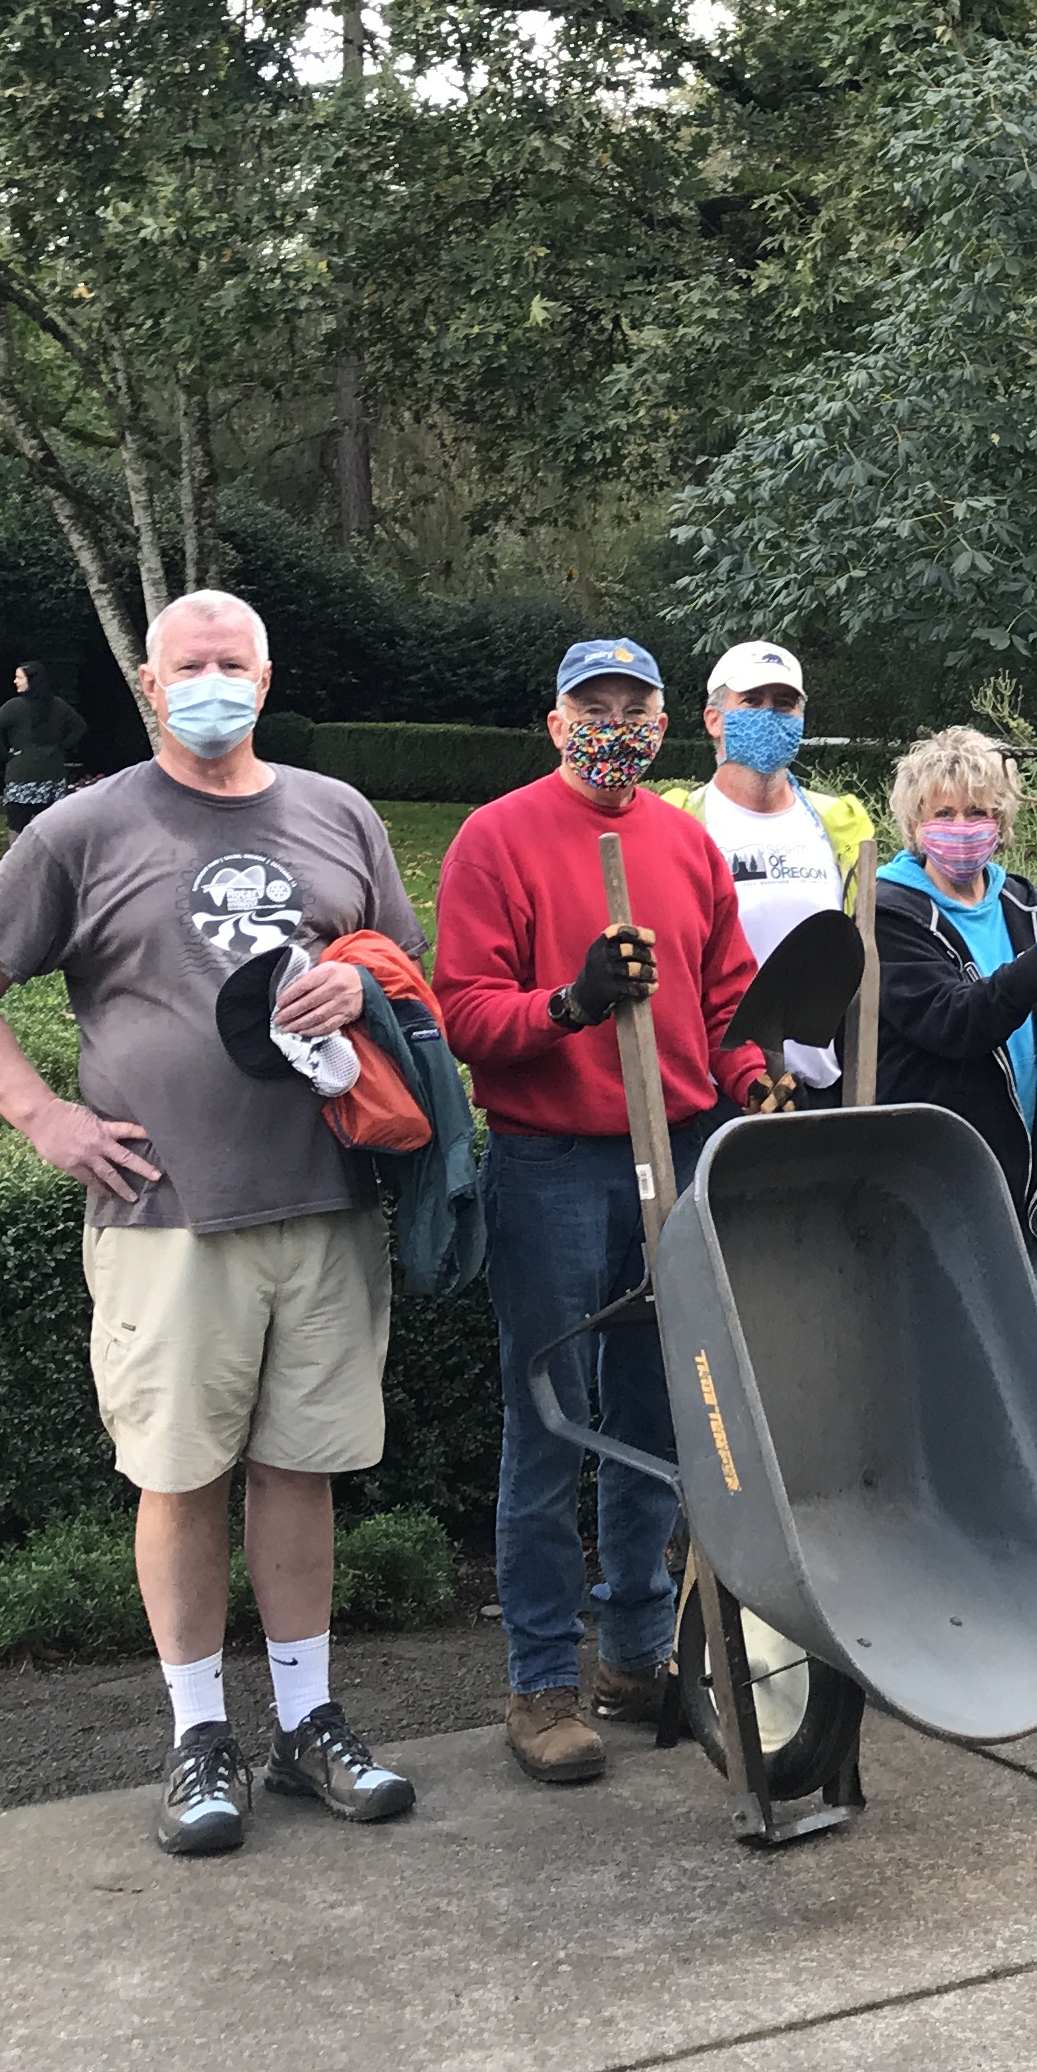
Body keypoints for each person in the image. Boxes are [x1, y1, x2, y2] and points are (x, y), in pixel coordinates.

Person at [0, 589, 424, 1858]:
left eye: (230, 663)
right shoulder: (84, 830)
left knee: (300, 1468)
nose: (210, 683)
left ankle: (306, 1723)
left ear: (266, 677)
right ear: (150, 686)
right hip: (167, 1213)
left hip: (327, 1196)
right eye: (186, 666)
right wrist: (45, 1119)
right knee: (180, 1475)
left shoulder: (340, 812)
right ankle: (202, 1736)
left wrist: (360, 985)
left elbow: (410, 978)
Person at [430, 635, 769, 1784]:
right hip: (554, 1164)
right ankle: (540, 1682)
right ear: (557, 722)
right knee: (552, 1420)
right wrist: (569, 1004)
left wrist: (752, 1076)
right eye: (594, 706)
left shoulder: (685, 844)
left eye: (633, 707)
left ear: (663, 725)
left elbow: (727, 999)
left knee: (658, 1417)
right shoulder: (497, 839)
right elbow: (465, 1012)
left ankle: (633, 1652)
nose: (613, 725)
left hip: (673, 1152)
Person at [869, 724, 1037, 1321]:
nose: (962, 827)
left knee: (1028, 1360)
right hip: (935, 1189)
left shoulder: (1029, 909)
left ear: (1001, 823)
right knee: (948, 1356)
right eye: (944, 813)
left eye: (978, 812)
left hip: (1030, 1184)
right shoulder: (888, 914)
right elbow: (956, 1022)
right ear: (915, 824)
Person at [663, 638, 875, 1105]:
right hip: (716, 1091)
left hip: (821, 1087)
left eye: (784, 703)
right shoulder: (681, 823)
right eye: (752, 701)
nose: (770, 714)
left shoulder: (837, 823)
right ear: (714, 719)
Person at [0, 660, 88, 836]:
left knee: (17, 828)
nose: (15, 681)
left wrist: (5, 755)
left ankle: (20, 855)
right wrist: (62, 748)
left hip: (21, 776)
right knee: (51, 828)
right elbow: (79, 727)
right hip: (52, 775)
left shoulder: (14, 706)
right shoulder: (58, 705)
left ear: (32, 681)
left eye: (19, 677)